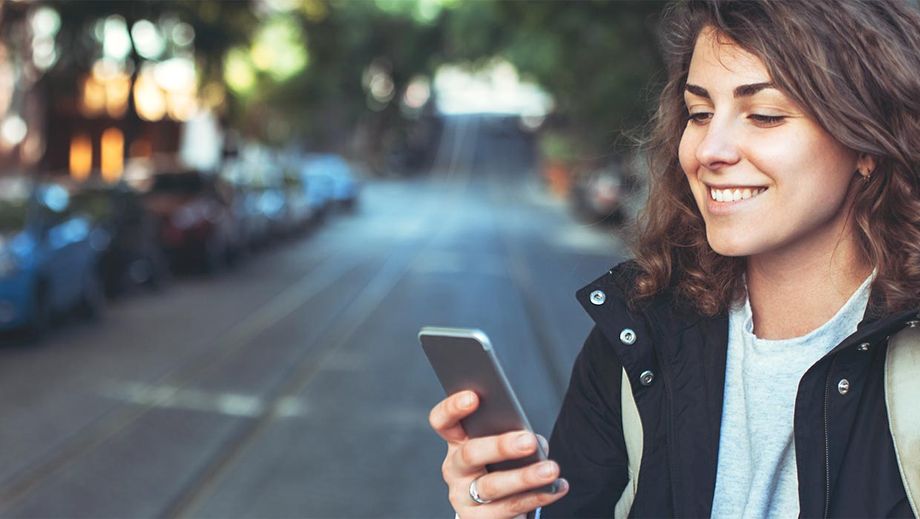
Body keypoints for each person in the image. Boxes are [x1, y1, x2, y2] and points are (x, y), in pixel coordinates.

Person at [428, 0, 920, 517]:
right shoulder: (636, 334)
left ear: (867, 141)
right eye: (700, 113)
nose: (710, 150)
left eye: (765, 115)